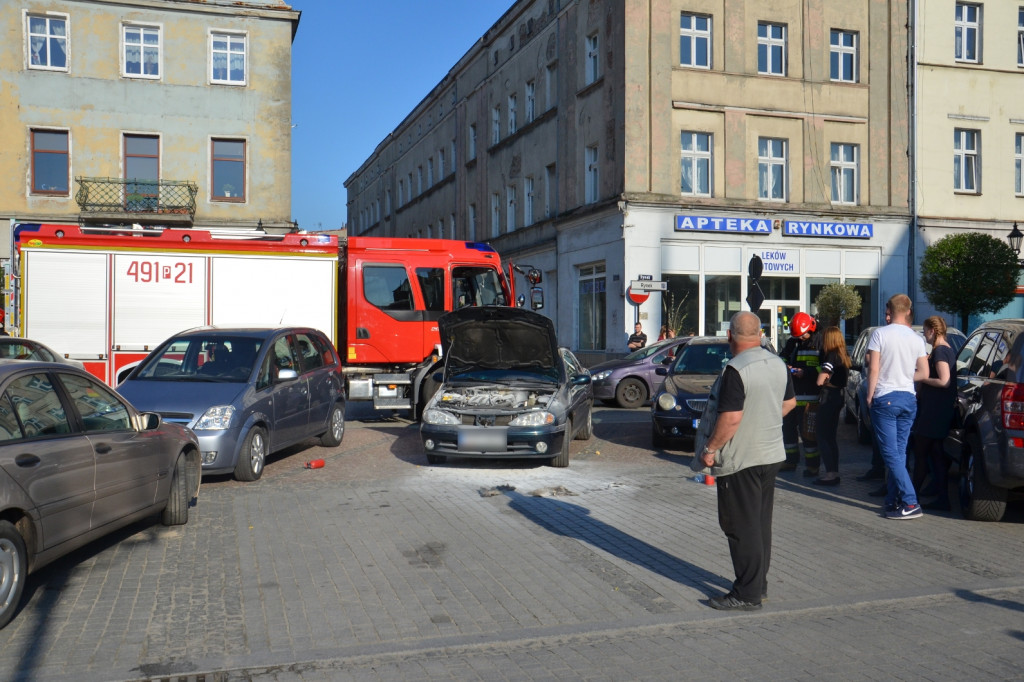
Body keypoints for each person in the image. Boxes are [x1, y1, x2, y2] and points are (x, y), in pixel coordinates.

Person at [692, 311, 796, 611]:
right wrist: (762, 420)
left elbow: (731, 418)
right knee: (760, 523)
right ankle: (757, 584)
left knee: (739, 525)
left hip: (742, 459)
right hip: (771, 454)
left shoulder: (735, 370)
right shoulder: (777, 363)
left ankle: (746, 594)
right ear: (760, 334)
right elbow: (789, 403)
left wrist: (710, 449)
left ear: (729, 337)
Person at [866, 294, 929, 519]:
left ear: (889, 311)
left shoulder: (880, 334)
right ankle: (893, 500)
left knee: (891, 454)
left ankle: (911, 502)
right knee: (900, 453)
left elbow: (873, 369)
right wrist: (904, 375)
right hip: (908, 398)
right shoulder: (917, 338)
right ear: (909, 311)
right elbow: (924, 373)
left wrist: (870, 395)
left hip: (886, 397)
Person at [911, 316, 957, 511]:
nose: (924, 335)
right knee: (936, 454)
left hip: (934, 412)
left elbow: (944, 381)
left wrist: (923, 378)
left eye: (924, 331)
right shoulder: (946, 349)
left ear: (932, 330)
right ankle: (942, 497)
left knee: (920, 452)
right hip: (939, 410)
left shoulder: (939, 352)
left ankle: (912, 496)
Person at [778, 311, 822, 476]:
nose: (800, 339)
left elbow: (823, 368)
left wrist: (806, 373)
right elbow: (781, 358)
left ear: (811, 329)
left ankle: (812, 466)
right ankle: (790, 462)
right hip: (792, 396)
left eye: (802, 336)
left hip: (811, 397)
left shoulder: (820, 343)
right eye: (797, 336)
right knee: (788, 432)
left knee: (808, 434)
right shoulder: (793, 342)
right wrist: (786, 366)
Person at [813, 326, 851, 486]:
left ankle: (829, 474)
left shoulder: (831, 356)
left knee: (822, 436)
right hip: (839, 396)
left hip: (829, 396)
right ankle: (834, 471)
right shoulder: (844, 355)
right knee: (831, 437)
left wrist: (823, 378)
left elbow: (820, 380)